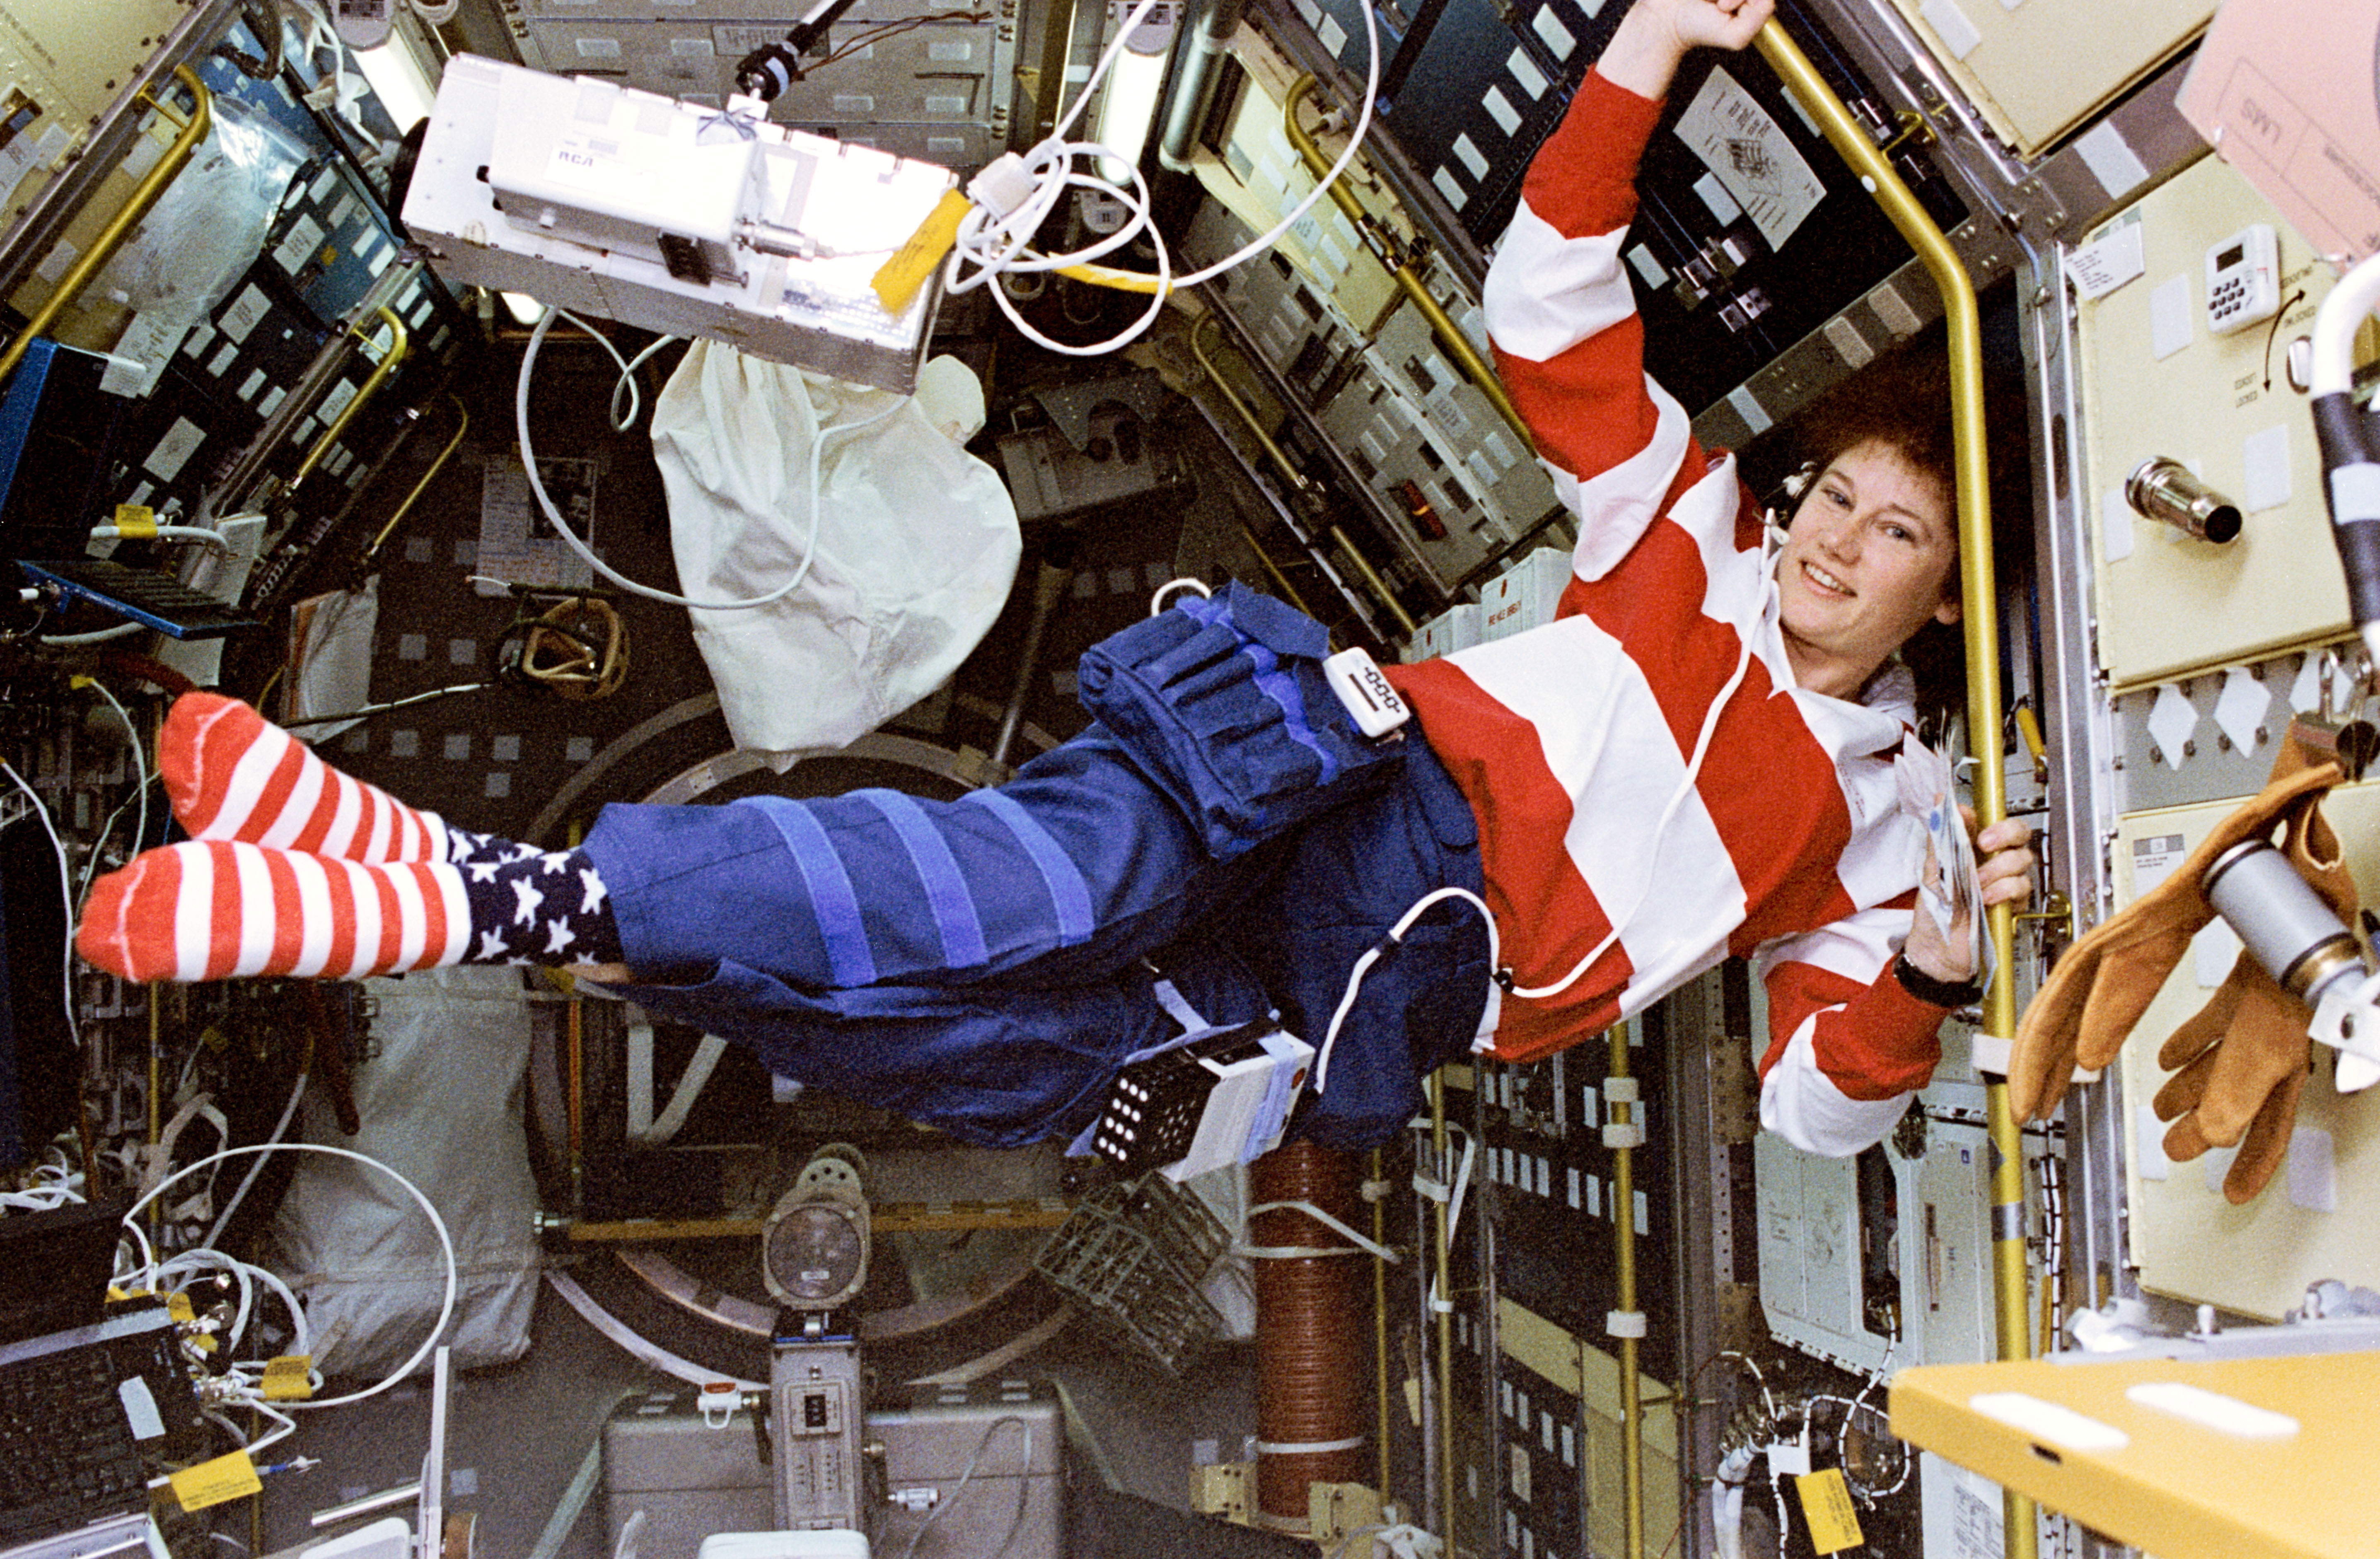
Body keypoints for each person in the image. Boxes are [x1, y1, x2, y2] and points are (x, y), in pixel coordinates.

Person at [74, 0, 2032, 1159]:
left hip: (1384, 979)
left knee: (997, 1054)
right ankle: (488, 885)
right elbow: (1550, 299)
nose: (1838, 550)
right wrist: (1646, 47)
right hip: (1349, 776)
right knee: (1023, 883)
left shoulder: (1889, 829)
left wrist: (1936, 973)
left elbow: (1814, 1104)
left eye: (1895, 540)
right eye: (1838, 500)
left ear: (1941, 601)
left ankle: (441, 890)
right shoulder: (1686, 528)